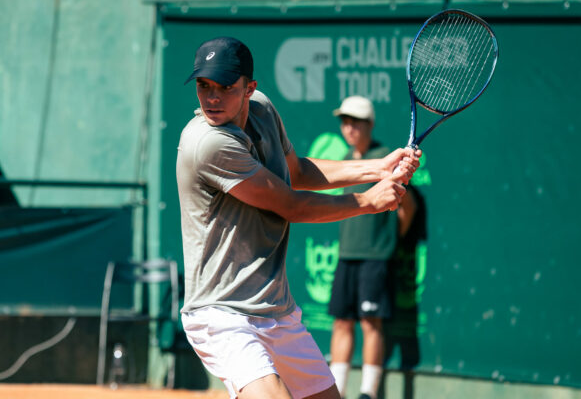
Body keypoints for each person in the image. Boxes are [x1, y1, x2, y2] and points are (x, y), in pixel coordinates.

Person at [176, 36, 421, 399]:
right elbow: (292, 204)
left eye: (225, 87)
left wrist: (376, 167)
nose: (212, 98)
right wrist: (369, 201)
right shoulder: (209, 142)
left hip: (276, 311)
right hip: (222, 314)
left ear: (249, 88)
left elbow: (297, 171)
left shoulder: (261, 109)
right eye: (203, 86)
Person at [327, 96, 424, 399]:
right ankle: (335, 392)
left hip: (376, 258)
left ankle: (367, 394)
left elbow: (407, 205)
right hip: (347, 256)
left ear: (369, 124)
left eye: (355, 122)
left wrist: (388, 241)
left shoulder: (385, 158)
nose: (349, 128)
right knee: (342, 322)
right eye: (345, 122)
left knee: (371, 324)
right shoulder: (346, 159)